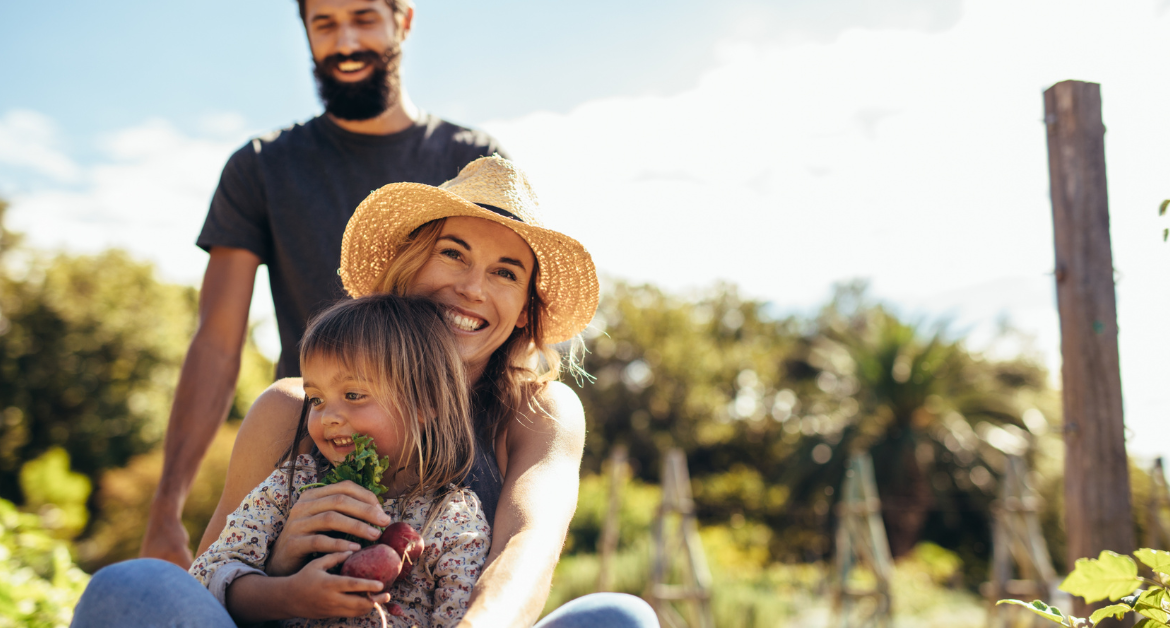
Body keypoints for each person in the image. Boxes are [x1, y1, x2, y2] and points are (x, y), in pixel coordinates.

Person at [76, 157, 658, 628]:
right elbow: (209, 579)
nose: (471, 288)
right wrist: (282, 569)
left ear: (526, 310)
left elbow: (525, 548)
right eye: (452, 253)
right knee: (132, 587)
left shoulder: (536, 412)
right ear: (407, 267)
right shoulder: (289, 409)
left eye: (506, 272)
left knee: (619, 617)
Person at [141, 0, 506, 567]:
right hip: (314, 447)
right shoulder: (261, 167)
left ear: (403, 21)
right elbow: (216, 341)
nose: (344, 42)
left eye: (363, 18)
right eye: (325, 24)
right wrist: (166, 509)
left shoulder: (470, 159)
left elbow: (503, 315)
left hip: (448, 458)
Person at [190, 294, 489, 626]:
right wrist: (287, 593)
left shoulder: (453, 521)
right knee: (149, 576)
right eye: (316, 398)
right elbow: (203, 580)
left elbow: (461, 617)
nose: (328, 417)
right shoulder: (293, 488)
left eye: (353, 395)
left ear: (425, 403)